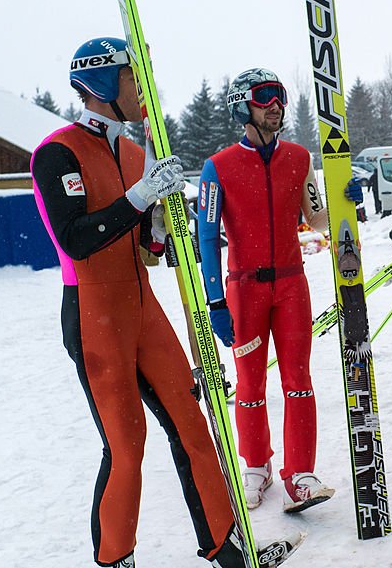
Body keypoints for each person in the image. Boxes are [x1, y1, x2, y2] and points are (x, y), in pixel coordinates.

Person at [32, 38, 299, 568]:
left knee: (194, 428)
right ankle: (116, 559)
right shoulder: (58, 151)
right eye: (135, 78)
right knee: (126, 447)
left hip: (142, 307)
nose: (144, 88)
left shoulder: (135, 153)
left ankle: (229, 551)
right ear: (105, 84)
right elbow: (76, 239)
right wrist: (139, 199)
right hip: (92, 312)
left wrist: (162, 220)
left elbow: (148, 245)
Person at [198, 67, 363, 513]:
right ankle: (256, 466)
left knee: (299, 382)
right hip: (244, 290)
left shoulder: (299, 158)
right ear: (242, 105)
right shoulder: (218, 167)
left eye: (281, 96)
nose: (276, 104)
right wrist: (214, 300)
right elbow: (208, 237)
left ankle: (301, 474)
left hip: (291, 285)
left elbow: (319, 219)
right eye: (264, 95)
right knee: (250, 384)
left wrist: (345, 199)